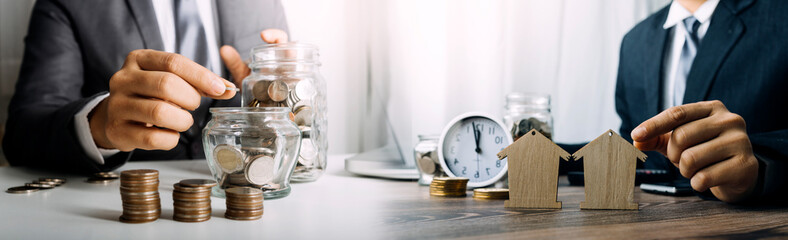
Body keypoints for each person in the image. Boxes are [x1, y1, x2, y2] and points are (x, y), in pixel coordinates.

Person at [3, 0, 289, 173]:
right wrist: (99, 125)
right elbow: (22, 135)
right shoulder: (70, 4)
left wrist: (283, 99)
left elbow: (290, 108)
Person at [612, 0, 788, 203]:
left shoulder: (780, 17)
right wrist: (570, 156)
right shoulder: (635, 40)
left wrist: (760, 166)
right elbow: (630, 145)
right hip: (651, 221)